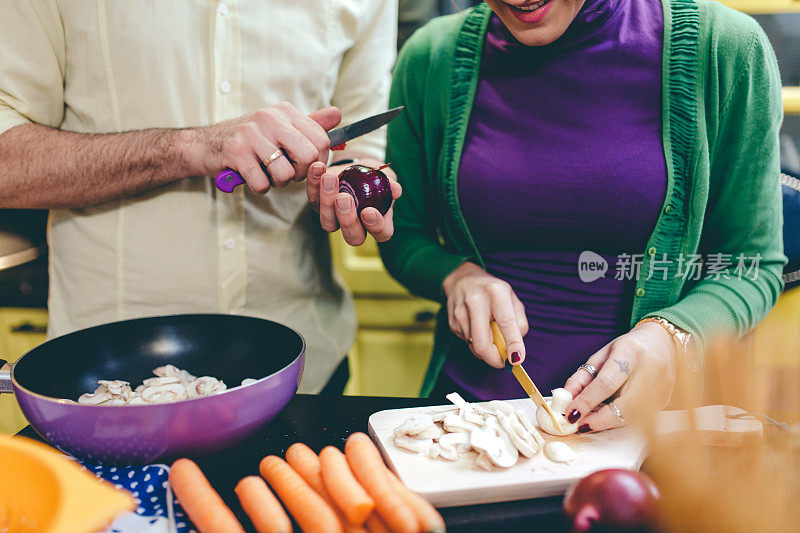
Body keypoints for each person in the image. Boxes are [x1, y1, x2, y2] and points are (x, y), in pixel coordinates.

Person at [379, 0, 785, 431]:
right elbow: (404, 234)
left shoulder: (727, 48)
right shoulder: (431, 57)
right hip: (473, 423)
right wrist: (457, 277)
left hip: (660, 433)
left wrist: (671, 337)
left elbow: (753, 265)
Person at [0, 1, 399, 393]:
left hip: (305, 367)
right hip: (110, 374)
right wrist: (191, 147)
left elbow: (362, 142)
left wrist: (338, 181)